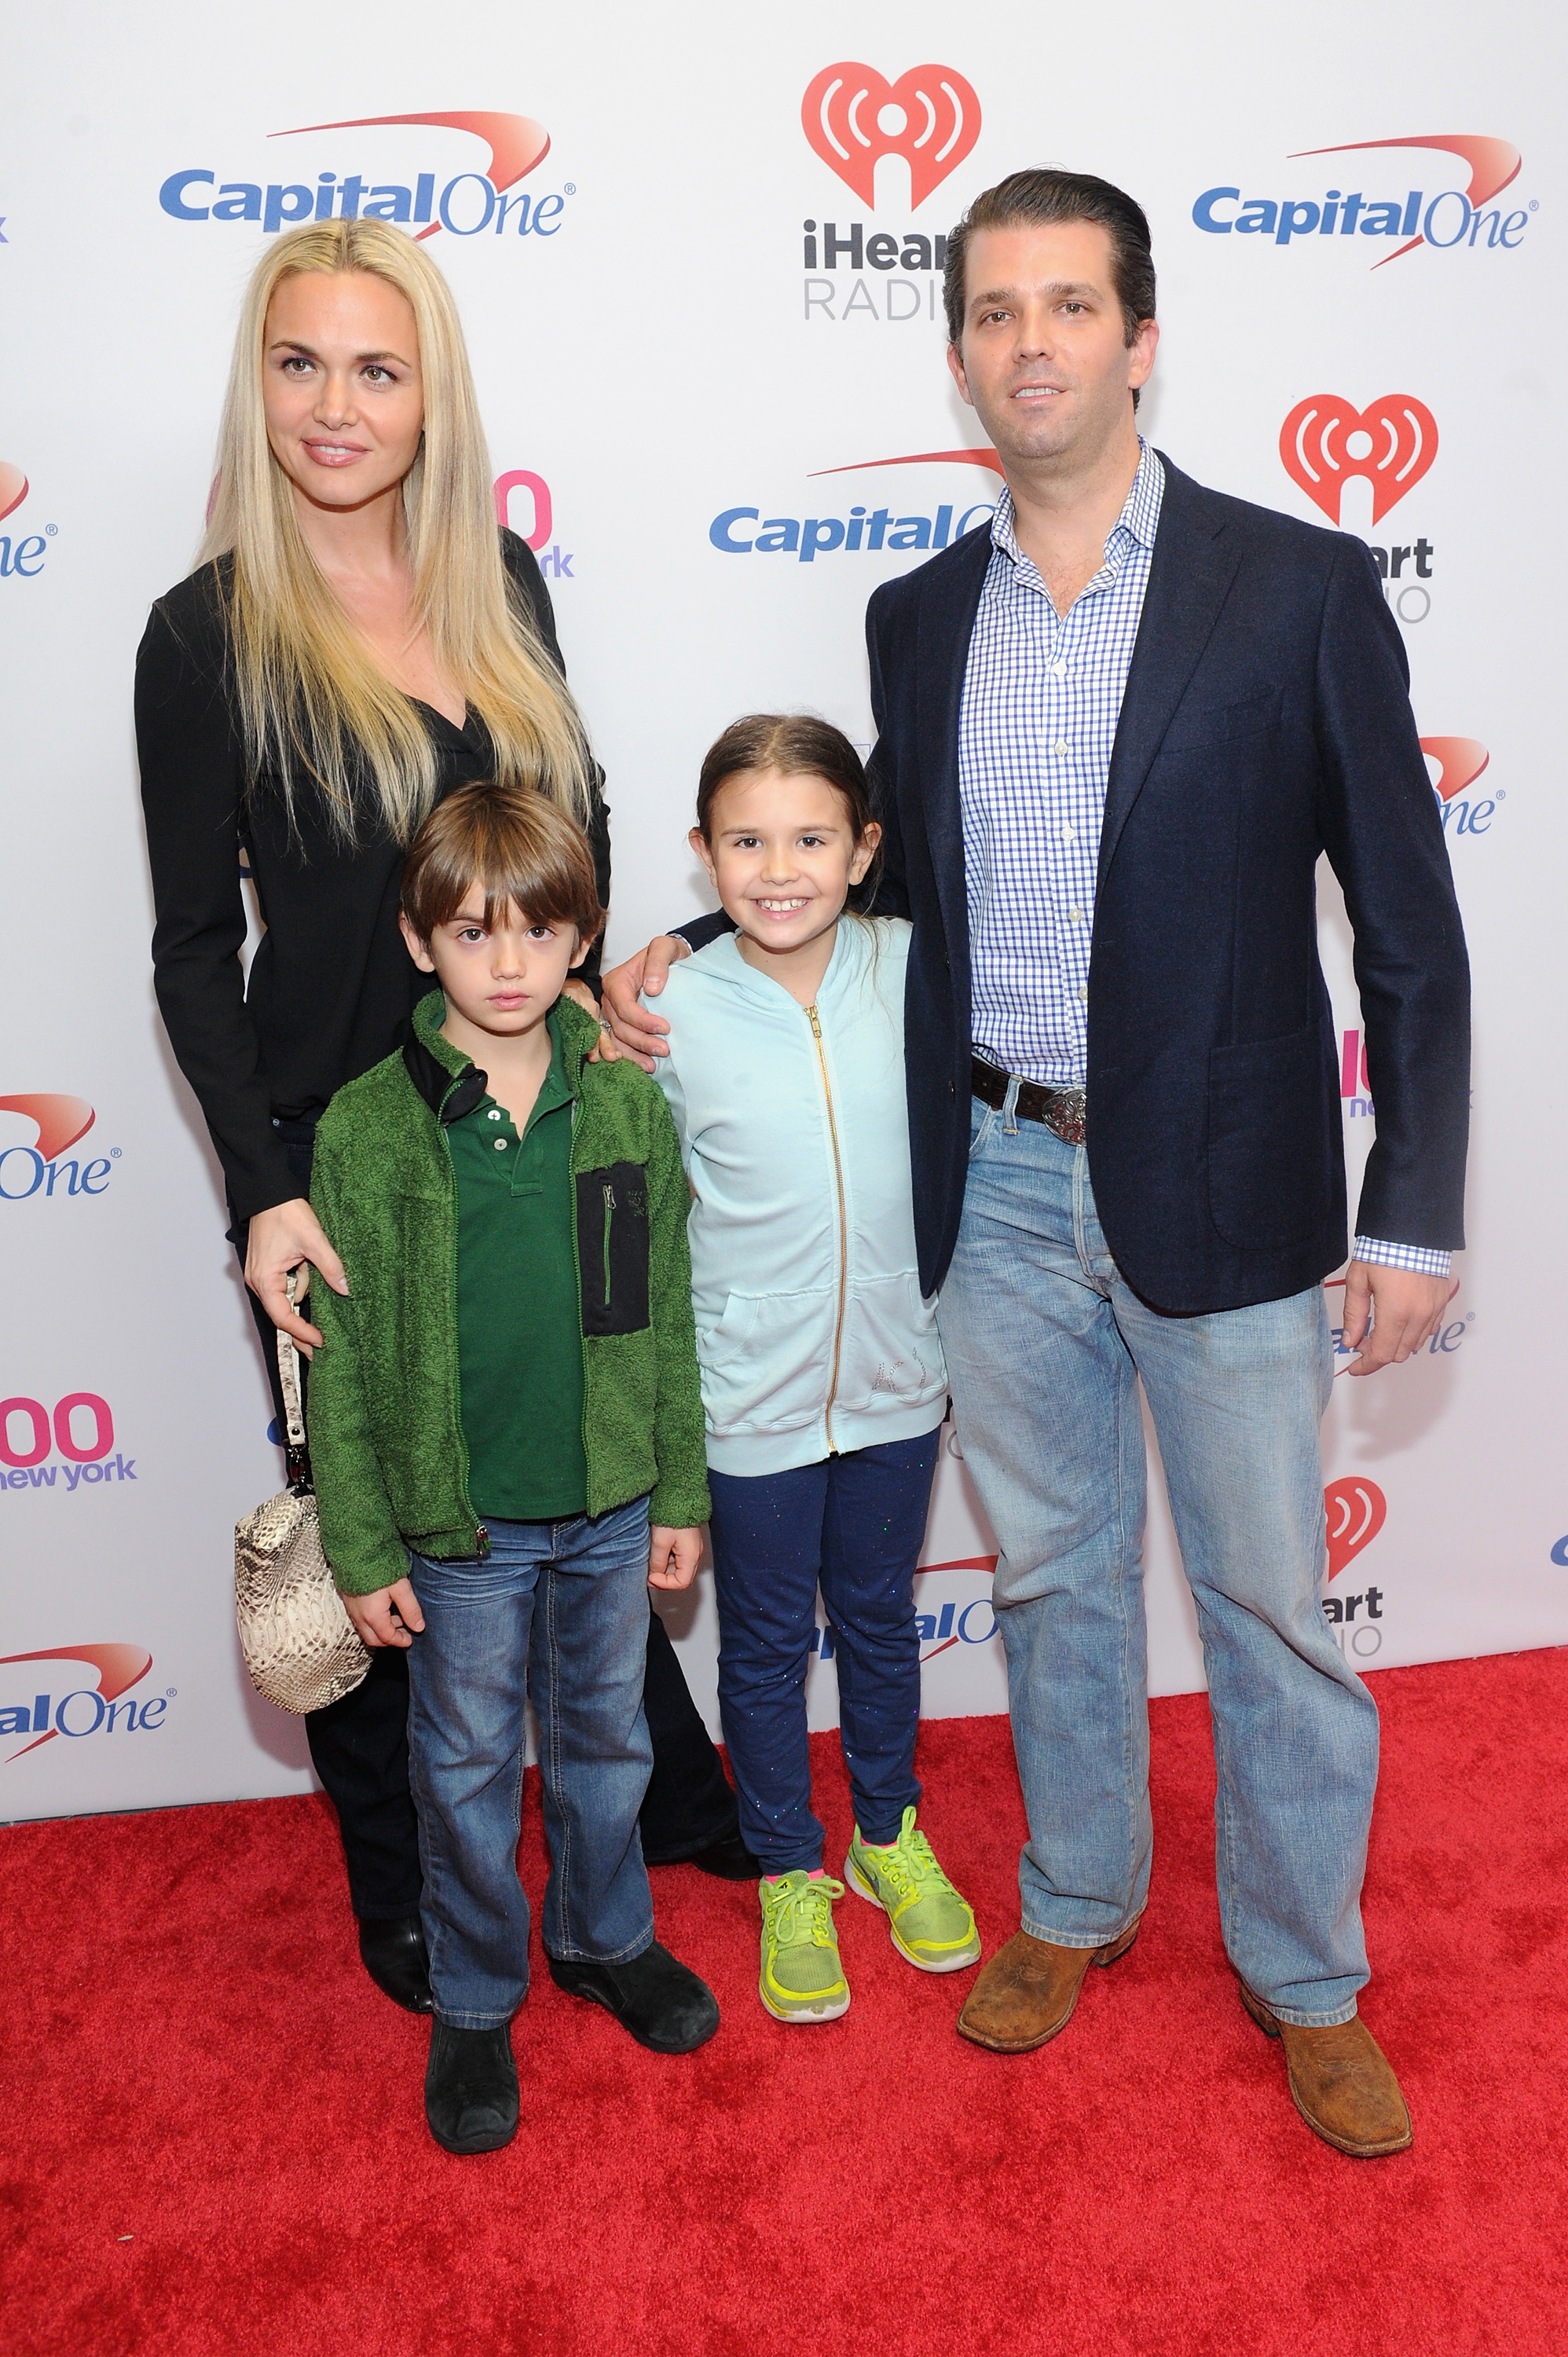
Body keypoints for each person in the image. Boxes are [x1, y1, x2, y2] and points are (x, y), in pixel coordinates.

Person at [603, 170, 1469, 2157]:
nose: (1031, 343)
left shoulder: (1295, 587)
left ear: (1138, 341)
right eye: (995, 312)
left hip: (1237, 1182)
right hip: (983, 1177)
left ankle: (1304, 1973)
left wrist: (1409, 1200)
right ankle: (1077, 1896)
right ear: (961, 357)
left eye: (1069, 306)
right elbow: (860, 877)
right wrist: (695, 946)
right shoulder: (913, 614)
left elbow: (1407, 933)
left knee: (1261, 1602)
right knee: (1059, 1570)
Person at [135, 217, 749, 2023]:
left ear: (432, 393)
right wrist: (261, 1191)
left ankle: (663, 1816)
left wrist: (575, 998)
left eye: (377, 369)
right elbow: (189, 950)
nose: (338, 407)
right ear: (261, 386)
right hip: (357, 1165)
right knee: (391, 1532)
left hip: (549, 1124)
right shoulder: (207, 637)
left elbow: (575, 810)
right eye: (302, 364)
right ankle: (403, 1892)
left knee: (588, 1457)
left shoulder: (498, 575)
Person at [307, 779, 720, 2154]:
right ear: (420, 942)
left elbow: (656, 1310)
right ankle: (477, 2000)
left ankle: (606, 1938)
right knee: (468, 1764)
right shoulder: (367, 1128)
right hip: (461, 1527)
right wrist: (363, 1546)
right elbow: (342, 1358)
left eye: (538, 935)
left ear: (581, 942)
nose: (507, 964)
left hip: (606, 1509)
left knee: (609, 1741)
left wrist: (678, 1491)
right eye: (473, 934)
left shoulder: (621, 1105)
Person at [647, 716, 977, 2023]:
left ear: (864, 850)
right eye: (745, 841)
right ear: (701, 854)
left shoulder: (914, 968)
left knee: (885, 1621)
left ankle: (885, 1835)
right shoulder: (664, 1004)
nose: (777, 869)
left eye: (811, 838)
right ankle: (791, 1865)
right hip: (748, 1398)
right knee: (770, 1644)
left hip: (901, 1377)